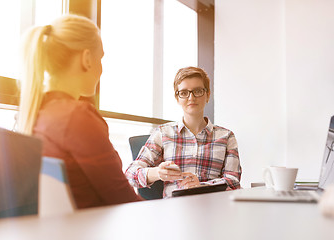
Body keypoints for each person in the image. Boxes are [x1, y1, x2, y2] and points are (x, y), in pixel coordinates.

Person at [16, 14, 142, 208]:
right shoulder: (77, 117)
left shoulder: (35, 114)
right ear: (86, 59)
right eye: (100, 58)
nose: (101, 68)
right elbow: (124, 200)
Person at [125, 66, 242, 198]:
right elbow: (130, 174)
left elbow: (234, 182)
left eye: (198, 91)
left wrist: (202, 187)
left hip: (212, 208)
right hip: (173, 211)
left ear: (208, 95)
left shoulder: (226, 137)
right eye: (184, 92)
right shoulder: (163, 133)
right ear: (177, 98)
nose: (191, 97)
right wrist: (158, 172)